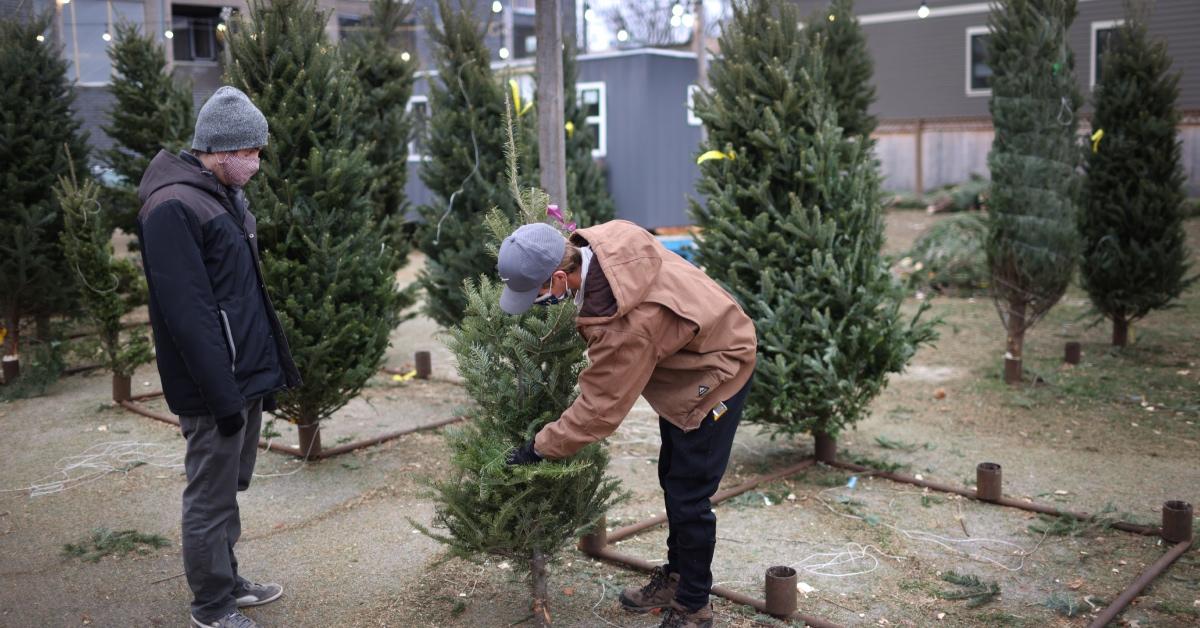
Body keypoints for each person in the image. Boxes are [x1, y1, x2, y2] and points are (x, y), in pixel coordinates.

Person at [499, 220, 757, 628]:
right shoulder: (607, 241)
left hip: (716, 372)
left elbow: (599, 411)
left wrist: (537, 449)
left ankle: (694, 604)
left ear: (561, 275)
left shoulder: (626, 324)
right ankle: (677, 577)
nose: (539, 303)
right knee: (673, 476)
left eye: (540, 294)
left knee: (689, 495)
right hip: (691, 353)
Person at [137, 86, 302, 628]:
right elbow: (191, 315)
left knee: (231, 487)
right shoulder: (173, 207)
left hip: (240, 377)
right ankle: (211, 606)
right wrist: (222, 395)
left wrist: (263, 376)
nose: (257, 162)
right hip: (213, 385)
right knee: (208, 496)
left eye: (259, 151)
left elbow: (244, 297)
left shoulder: (223, 198)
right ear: (219, 150)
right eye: (250, 152)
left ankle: (228, 580)